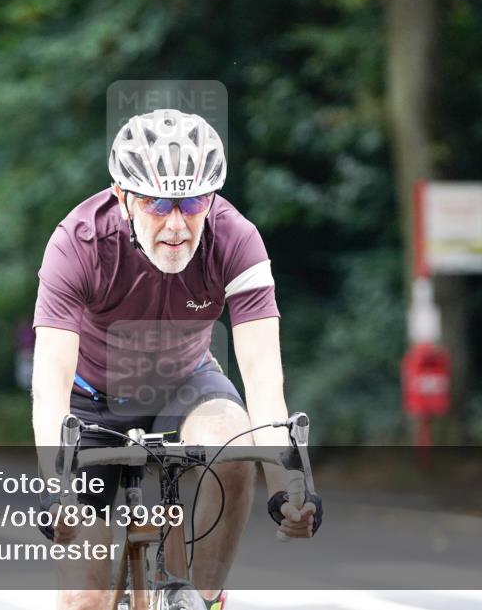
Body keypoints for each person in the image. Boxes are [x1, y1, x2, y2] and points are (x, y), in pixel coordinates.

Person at [31, 109, 322, 610]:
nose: (175, 223)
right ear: (123, 197)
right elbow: (51, 378)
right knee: (84, 598)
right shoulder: (77, 242)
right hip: (92, 403)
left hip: (187, 384)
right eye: (157, 202)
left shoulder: (236, 239)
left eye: (191, 202)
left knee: (233, 444)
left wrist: (288, 486)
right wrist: (57, 487)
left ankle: (203, 598)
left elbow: (262, 377)